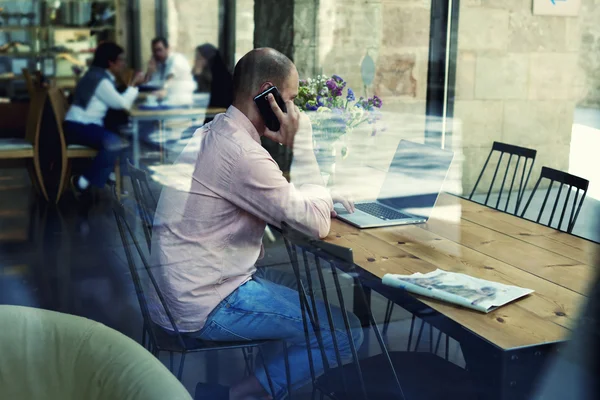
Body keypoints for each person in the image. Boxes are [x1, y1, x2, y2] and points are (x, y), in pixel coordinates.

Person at [149, 48, 360, 400]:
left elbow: (278, 199)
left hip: (177, 291)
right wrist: (303, 147)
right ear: (267, 93)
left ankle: (268, 380)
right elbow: (314, 225)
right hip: (205, 303)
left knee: (300, 289)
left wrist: (318, 198)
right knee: (344, 330)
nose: (292, 111)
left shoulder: (218, 130)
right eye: (289, 99)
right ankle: (235, 395)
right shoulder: (244, 154)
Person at [64, 42, 144, 196]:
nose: (124, 64)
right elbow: (121, 104)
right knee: (115, 142)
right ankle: (82, 182)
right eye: (121, 60)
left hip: (80, 125)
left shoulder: (95, 74)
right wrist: (134, 84)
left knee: (124, 136)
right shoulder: (100, 80)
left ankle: (109, 176)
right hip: (79, 127)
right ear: (110, 62)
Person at [192, 43, 234, 124]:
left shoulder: (220, 79)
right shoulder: (206, 77)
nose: (196, 61)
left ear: (207, 59)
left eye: (199, 58)